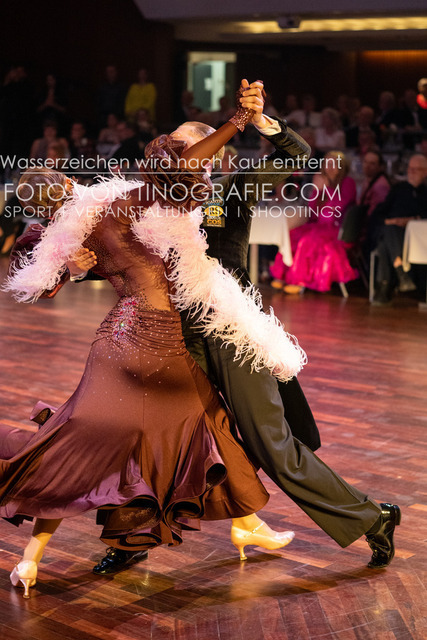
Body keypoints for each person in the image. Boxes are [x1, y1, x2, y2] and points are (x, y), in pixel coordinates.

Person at [1, 83, 298, 597]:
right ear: (69, 181)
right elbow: (180, 170)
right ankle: (244, 522)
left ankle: (32, 559)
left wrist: (70, 270)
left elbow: (32, 281)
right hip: (159, 337)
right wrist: (236, 122)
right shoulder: (119, 201)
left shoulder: (64, 238)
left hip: (116, 340)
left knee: (81, 440)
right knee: (208, 424)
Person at [271, 151, 358, 293]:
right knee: (291, 235)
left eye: (333, 164)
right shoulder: (320, 181)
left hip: (337, 227)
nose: (329, 167)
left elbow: (339, 207)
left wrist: (325, 188)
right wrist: (316, 191)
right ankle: (283, 276)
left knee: (307, 240)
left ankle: (298, 280)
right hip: (319, 225)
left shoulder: (348, 182)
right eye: (327, 163)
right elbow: (313, 211)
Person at [371, 153, 427, 305]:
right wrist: (391, 221)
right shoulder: (398, 189)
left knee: (384, 244)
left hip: (412, 236)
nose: (411, 172)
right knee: (389, 230)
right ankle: (401, 273)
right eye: (410, 168)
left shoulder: (425, 193)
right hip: (391, 231)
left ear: (425, 172)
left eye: (416, 169)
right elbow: (379, 213)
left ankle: (385, 287)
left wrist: (410, 221)